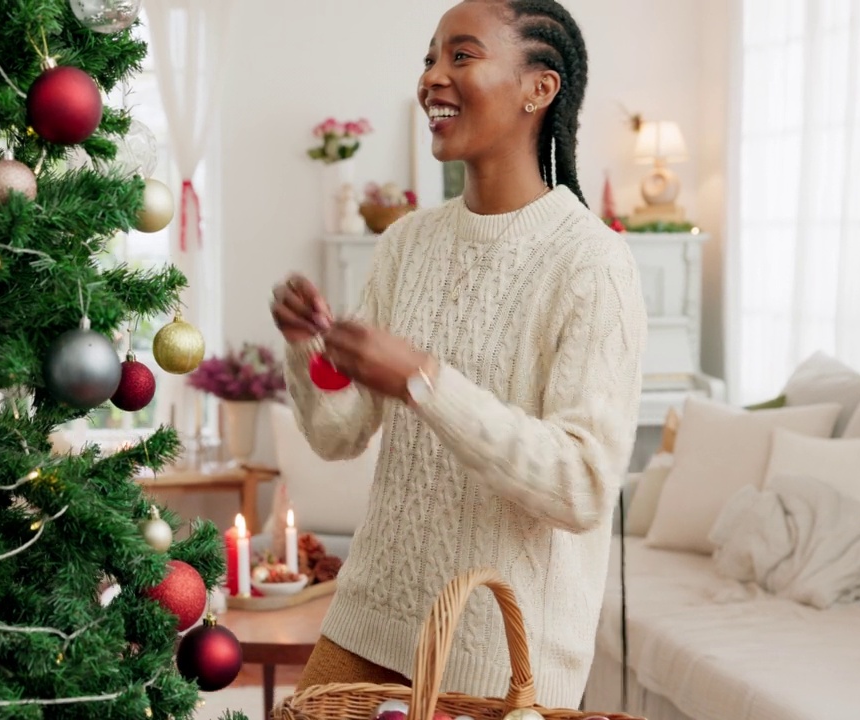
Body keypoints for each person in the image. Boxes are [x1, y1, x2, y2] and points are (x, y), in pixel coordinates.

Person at [269, 0, 647, 709]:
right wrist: (306, 349)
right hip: (366, 626)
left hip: (500, 662)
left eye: (461, 56)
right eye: (429, 59)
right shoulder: (408, 242)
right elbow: (337, 433)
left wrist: (423, 381)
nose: (433, 78)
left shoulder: (593, 263)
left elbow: (584, 485)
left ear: (540, 88)